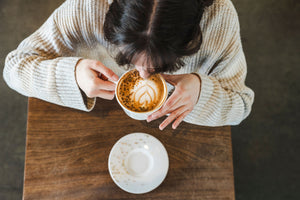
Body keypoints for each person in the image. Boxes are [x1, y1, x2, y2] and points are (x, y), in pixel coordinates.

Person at [3, 0, 254, 130]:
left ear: (191, 37)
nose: (143, 76)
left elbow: (241, 105)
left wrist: (201, 92)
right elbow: (15, 67)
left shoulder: (219, 19)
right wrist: (73, 74)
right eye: (127, 59)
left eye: (160, 66)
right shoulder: (88, 7)